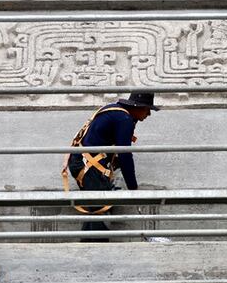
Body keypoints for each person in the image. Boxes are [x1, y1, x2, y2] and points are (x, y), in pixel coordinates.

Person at [62, 93, 158, 240]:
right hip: (89, 167)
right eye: (147, 109)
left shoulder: (114, 111)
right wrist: (133, 188)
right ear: (137, 107)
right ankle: (100, 247)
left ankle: (87, 245)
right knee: (99, 210)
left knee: (96, 210)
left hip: (83, 163)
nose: (149, 114)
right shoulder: (124, 119)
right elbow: (125, 155)